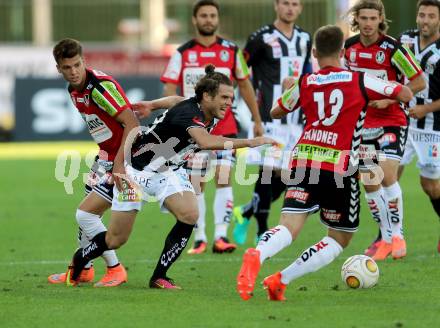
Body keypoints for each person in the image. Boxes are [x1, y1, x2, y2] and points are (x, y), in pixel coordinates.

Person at [235, 25, 413, 302]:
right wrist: (379, 98)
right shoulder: (359, 80)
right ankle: (282, 279)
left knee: (288, 226)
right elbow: (405, 94)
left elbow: (276, 110)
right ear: (342, 52)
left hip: (303, 160)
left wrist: (296, 87)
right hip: (339, 166)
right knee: (340, 236)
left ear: (314, 52)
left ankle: (257, 253)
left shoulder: (306, 81)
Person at [66, 65, 276, 289]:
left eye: (231, 97)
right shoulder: (189, 115)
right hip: (137, 171)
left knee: (190, 215)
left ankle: (159, 276)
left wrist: (152, 105)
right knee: (116, 239)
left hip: (169, 170)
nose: (229, 102)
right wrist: (251, 142)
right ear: (207, 96)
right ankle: (81, 259)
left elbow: (176, 99)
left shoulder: (202, 106)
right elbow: (205, 142)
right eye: (224, 97)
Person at [160, 0, 264, 255]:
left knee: (224, 178)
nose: (208, 19)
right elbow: (170, 87)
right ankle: (200, 237)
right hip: (193, 132)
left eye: (212, 15)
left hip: (226, 127)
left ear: (218, 19)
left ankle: (220, 235)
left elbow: (245, 84)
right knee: (196, 183)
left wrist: (257, 119)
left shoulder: (231, 50)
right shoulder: (182, 52)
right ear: (195, 20)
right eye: (203, 15)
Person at [48, 38, 141, 287]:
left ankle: (115, 268)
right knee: (86, 211)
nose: (74, 71)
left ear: (84, 61)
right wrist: (104, 157)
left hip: (127, 158)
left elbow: (132, 124)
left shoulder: (98, 87)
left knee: (86, 215)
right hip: (105, 157)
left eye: (77, 65)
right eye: (67, 67)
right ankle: (85, 268)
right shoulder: (73, 90)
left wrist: (120, 165)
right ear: (59, 68)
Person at [344, 0, 425, 260]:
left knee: (388, 173)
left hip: (392, 118)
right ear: (356, 19)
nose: (368, 24)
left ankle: (398, 235)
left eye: (372, 18)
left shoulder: (393, 48)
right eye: (363, 18)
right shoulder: (348, 48)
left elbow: (419, 81)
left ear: (380, 19)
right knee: (370, 180)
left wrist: (392, 99)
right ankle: (386, 237)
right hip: (363, 123)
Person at [233, 0, 312, 245]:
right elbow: (240, 71)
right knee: (267, 172)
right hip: (270, 117)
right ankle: (262, 230)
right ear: (277, 6)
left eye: (295, 4)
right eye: (285, 3)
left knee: (290, 176)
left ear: (300, 8)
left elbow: (308, 71)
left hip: (297, 119)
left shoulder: (305, 38)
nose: (290, 8)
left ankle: (245, 212)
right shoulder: (260, 38)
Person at [399, 0, 440, 252]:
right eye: (422, 15)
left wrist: (426, 108)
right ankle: (388, 236)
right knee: (388, 175)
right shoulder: (404, 40)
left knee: (430, 186)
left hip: (432, 127)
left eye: (431, 16)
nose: (425, 20)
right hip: (402, 121)